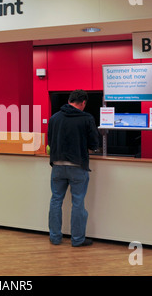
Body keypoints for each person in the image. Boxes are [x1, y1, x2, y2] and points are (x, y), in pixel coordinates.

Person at [47, 89, 99, 247]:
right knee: (78, 203)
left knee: (56, 201)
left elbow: (50, 140)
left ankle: (55, 238)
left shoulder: (54, 117)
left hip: (57, 166)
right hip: (77, 166)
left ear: (69, 100)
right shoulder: (86, 118)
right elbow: (94, 145)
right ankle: (77, 240)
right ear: (83, 103)